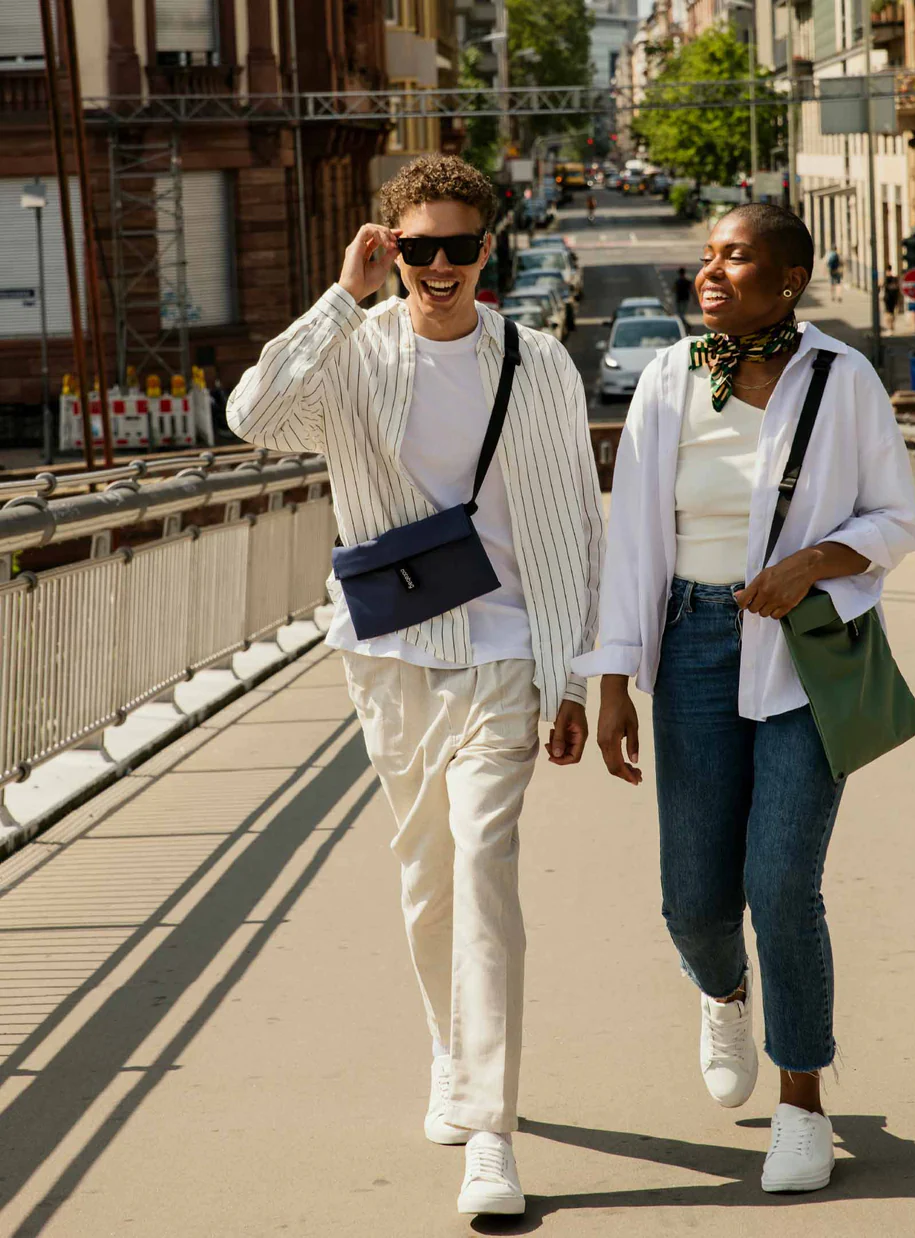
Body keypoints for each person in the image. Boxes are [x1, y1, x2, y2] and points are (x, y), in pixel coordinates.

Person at [227, 155, 603, 1219]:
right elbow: (252, 413)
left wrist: (575, 676)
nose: (441, 266)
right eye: (419, 247)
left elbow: (579, 522)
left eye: (460, 246)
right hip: (391, 653)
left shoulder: (538, 362)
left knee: (483, 865)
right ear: (390, 249)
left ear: (489, 247)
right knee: (427, 877)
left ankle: (490, 1130)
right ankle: (449, 1047)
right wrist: (341, 298)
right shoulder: (354, 352)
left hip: (506, 652)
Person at [575, 203, 915, 1196]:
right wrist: (611, 682)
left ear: (788, 280)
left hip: (809, 647)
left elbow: (899, 520)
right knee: (694, 899)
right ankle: (723, 988)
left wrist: (814, 561)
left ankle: (801, 1099)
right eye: (707, 256)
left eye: (735, 257)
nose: (711, 271)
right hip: (691, 640)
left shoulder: (842, 377)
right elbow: (632, 540)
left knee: (780, 884)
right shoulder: (668, 377)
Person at [883, 265, 900, 333]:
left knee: (888, 313)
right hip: (894, 299)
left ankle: (890, 327)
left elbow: (881, 285)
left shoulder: (886, 278)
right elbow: (897, 288)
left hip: (888, 298)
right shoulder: (895, 278)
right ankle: (891, 327)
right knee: (892, 313)